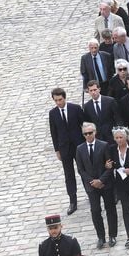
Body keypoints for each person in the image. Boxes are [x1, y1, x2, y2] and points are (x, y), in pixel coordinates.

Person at [75, 122, 118, 248]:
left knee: (110, 209)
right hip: (91, 186)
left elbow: (110, 166)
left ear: (95, 132)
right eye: (85, 134)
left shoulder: (104, 145)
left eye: (90, 133)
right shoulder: (80, 149)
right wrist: (92, 182)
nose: (88, 135)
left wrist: (101, 180)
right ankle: (101, 237)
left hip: (106, 184)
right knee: (95, 211)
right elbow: (80, 169)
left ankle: (112, 235)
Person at [48, 87, 84, 216]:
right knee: (69, 175)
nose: (58, 102)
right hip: (64, 147)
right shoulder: (53, 113)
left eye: (60, 99)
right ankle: (72, 201)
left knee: (83, 170)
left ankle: (91, 194)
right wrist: (57, 149)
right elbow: (54, 132)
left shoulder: (75, 108)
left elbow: (84, 125)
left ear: (65, 98)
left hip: (78, 145)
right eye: (56, 100)